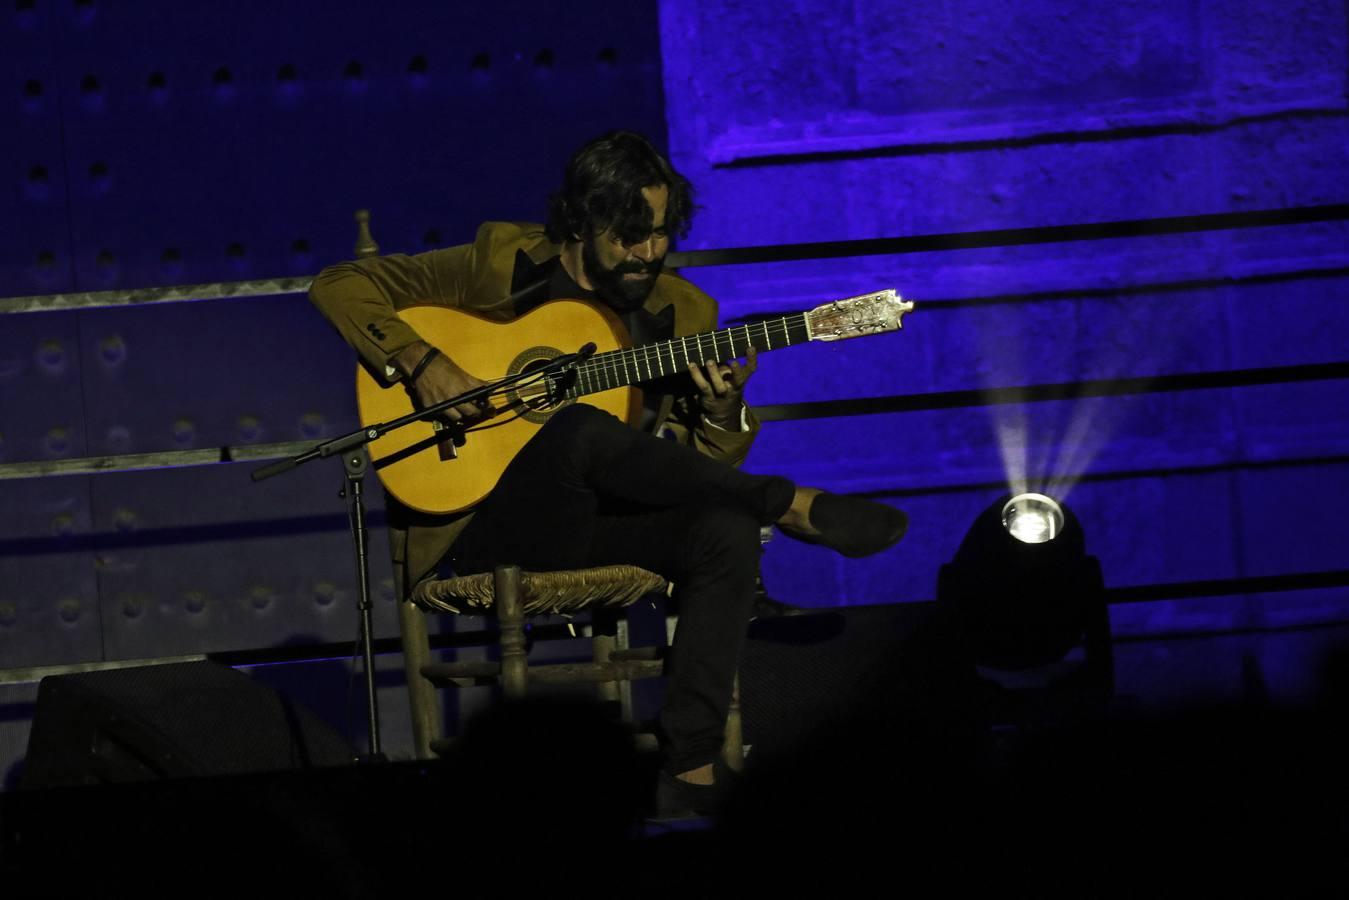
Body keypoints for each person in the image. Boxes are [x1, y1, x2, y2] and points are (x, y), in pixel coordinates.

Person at [309, 130, 907, 815]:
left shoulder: (685, 315)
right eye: (628, 235)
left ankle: (689, 770)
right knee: (580, 426)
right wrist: (421, 361)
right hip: (486, 521)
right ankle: (788, 503)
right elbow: (338, 283)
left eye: (658, 234)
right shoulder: (496, 261)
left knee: (723, 529)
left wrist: (718, 412)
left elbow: (687, 469)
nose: (647, 252)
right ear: (581, 221)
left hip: (596, 525)